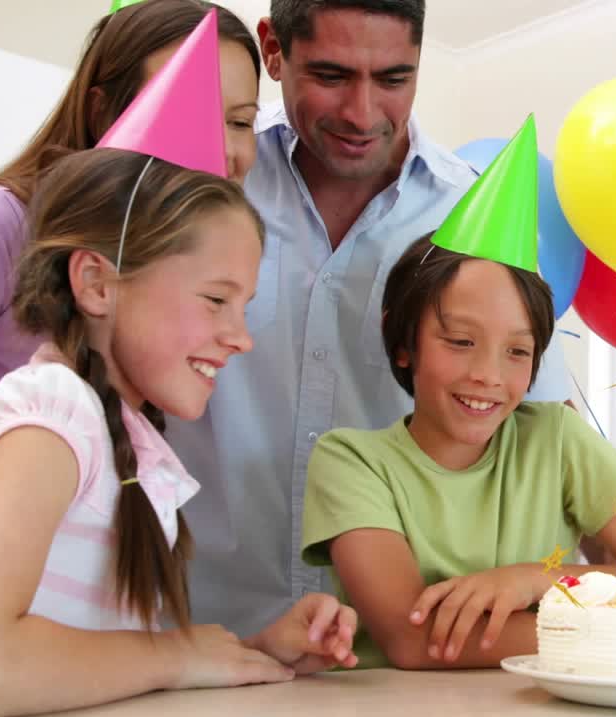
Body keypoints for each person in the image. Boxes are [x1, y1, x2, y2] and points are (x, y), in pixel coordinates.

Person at [165, 0, 577, 638]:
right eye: (331, 75)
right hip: (200, 635)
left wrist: (543, 580)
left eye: (393, 79)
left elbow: (545, 438)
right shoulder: (214, 174)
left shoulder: (470, 214)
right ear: (273, 50)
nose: (361, 114)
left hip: (401, 654)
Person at [0, 148, 356, 717]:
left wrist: (248, 654)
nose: (241, 337)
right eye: (216, 300)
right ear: (96, 284)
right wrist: (177, 654)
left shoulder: (121, 438)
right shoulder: (51, 415)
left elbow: (94, 666)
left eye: (244, 307)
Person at [300, 120, 616, 670]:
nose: (488, 375)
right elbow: (413, 640)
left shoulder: (557, 440)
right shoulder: (352, 463)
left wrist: (540, 580)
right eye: (461, 341)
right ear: (404, 341)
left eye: (516, 351)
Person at [0, 0, 262, 579]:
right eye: (188, 110)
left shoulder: (162, 288)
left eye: (240, 122)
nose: (221, 152)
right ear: (102, 109)